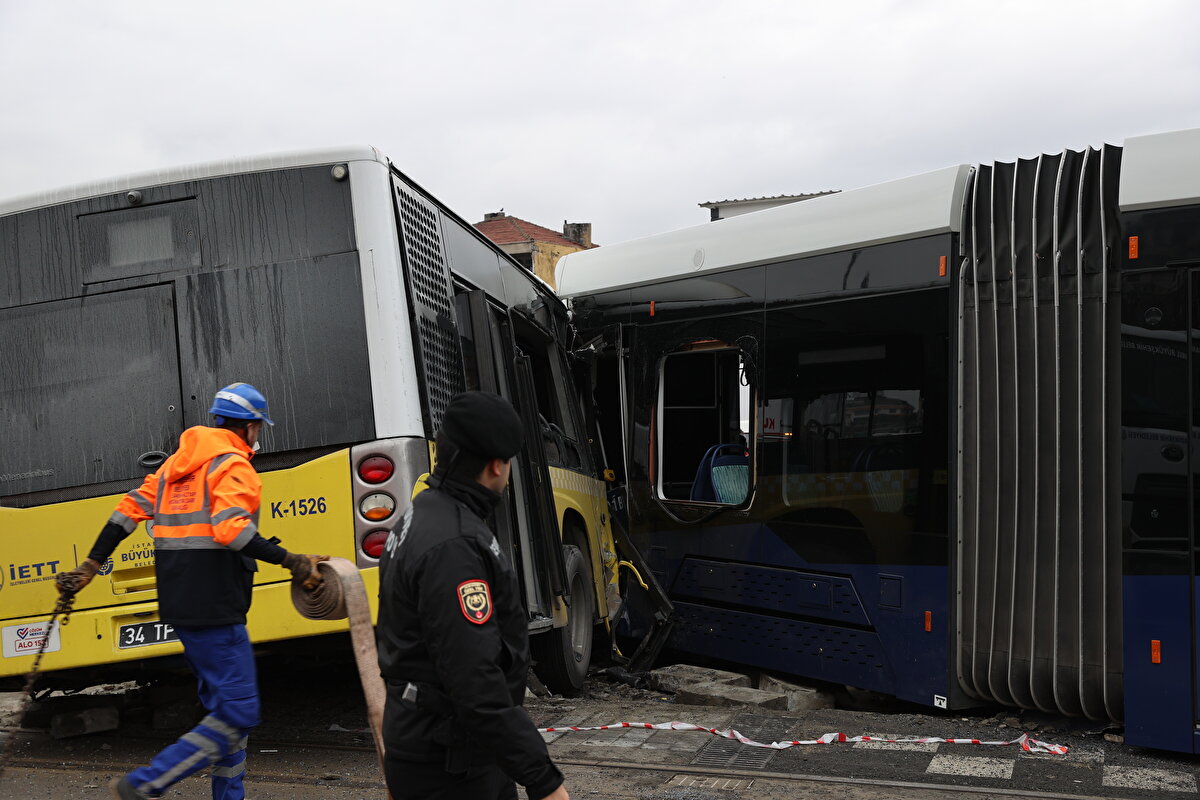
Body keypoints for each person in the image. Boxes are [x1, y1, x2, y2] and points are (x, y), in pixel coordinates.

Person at [54, 382, 329, 800]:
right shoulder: (233, 466)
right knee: (238, 714)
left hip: (183, 607)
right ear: (251, 427)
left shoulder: (171, 469)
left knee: (224, 715)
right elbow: (231, 530)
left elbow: (126, 513)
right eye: (258, 428)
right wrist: (293, 561)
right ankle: (147, 783)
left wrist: (93, 563)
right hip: (217, 610)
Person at [376, 391, 570, 800]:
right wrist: (544, 780)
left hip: (440, 746)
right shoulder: (455, 544)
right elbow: (475, 681)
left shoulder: (421, 515)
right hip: (449, 763)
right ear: (496, 466)